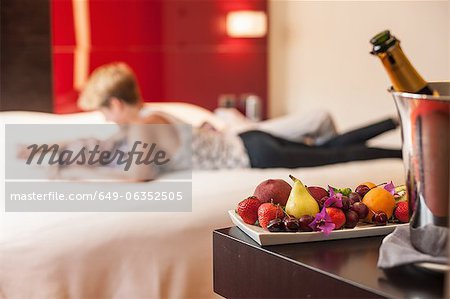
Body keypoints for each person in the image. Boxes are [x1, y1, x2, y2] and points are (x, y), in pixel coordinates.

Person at [75, 62, 400, 179]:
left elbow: (140, 175)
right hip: (251, 141)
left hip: (255, 154)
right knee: (329, 148)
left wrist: (98, 173)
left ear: (116, 103)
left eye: (104, 112)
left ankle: (400, 154)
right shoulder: (151, 118)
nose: (107, 119)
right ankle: (391, 123)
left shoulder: (145, 125)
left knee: (334, 156)